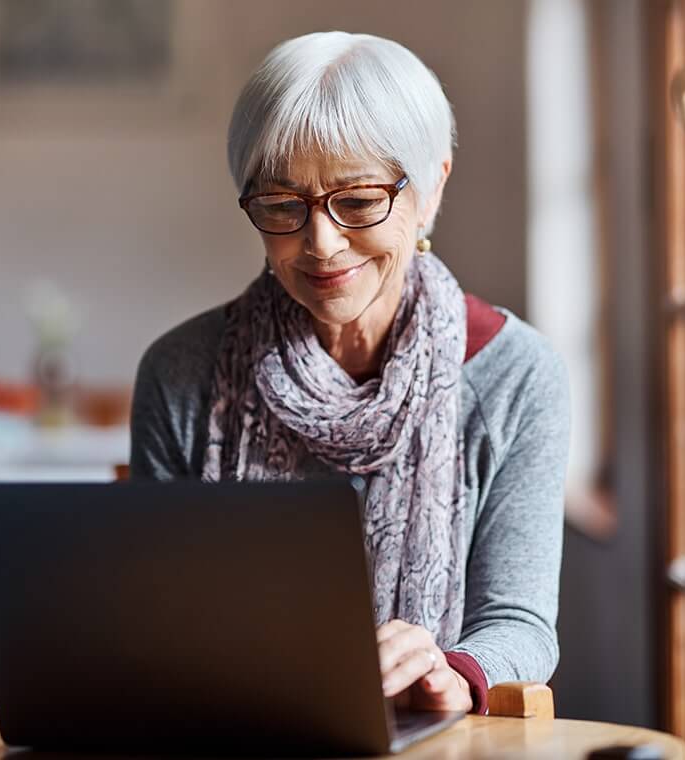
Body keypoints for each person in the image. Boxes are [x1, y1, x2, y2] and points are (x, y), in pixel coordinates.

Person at [130, 31, 570, 715]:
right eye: (281, 205)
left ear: (428, 192)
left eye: (359, 201)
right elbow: (157, 616)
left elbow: (520, 623)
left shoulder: (517, 374)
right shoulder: (180, 374)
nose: (321, 243)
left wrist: (452, 671)